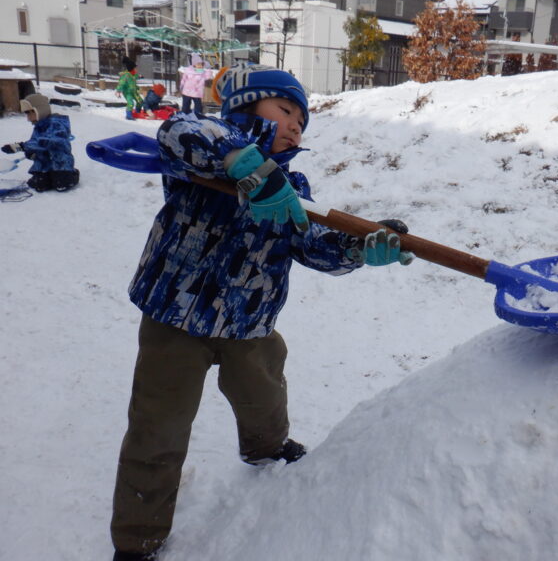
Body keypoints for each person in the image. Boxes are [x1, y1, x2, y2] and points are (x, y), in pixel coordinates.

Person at [110, 64, 413, 561]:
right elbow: (179, 129)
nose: (296, 124)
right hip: (173, 321)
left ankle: (265, 445)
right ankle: (137, 538)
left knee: (264, 396)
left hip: (250, 321)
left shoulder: (293, 187)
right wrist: (244, 162)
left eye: (303, 120)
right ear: (247, 108)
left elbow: (312, 245)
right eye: (286, 109)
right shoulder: (204, 151)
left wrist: (359, 248)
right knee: (157, 429)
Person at [1, 93, 79, 192]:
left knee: (61, 184)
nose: (29, 116)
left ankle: (73, 174)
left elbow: (46, 142)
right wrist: (32, 153)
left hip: (61, 163)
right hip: (44, 164)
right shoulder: (38, 127)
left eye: (31, 112)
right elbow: (34, 143)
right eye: (27, 113)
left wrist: (20, 146)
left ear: (40, 110)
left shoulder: (57, 124)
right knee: (39, 185)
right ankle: (47, 176)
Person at [116, 56, 143, 120]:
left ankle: (137, 112)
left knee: (140, 101)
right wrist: (118, 91)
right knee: (131, 103)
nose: (136, 69)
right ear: (132, 68)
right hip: (127, 92)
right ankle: (128, 115)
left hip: (134, 91)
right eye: (135, 68)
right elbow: (121, 83)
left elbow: (135, 77)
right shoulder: (125, 76)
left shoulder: (133, 74)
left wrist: (140, 76)